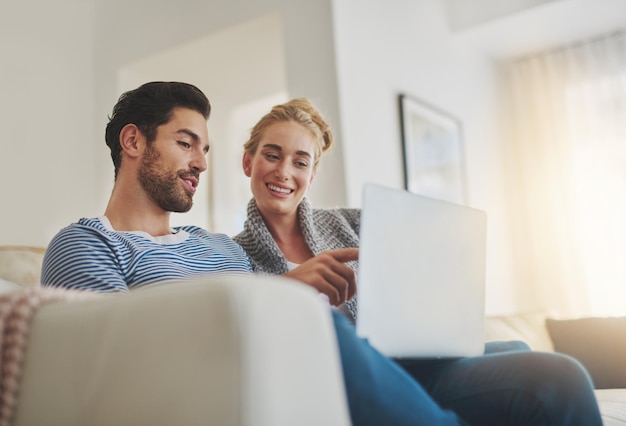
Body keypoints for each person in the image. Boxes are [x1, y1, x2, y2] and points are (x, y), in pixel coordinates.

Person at [41, 82, 602, 426]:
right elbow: (108, 364)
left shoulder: (215, 247)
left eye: (205, 148)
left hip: (339, 361)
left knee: (555, 376)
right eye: (186, 143)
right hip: (278, 374)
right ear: (133, 142)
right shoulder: (88, 242)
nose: (201, 163)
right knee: (316, 324)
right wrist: (289, 292)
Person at [233, 97, 603, 425]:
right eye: (272, 154)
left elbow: (415, 278)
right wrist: (294, 283)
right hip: (344, 383)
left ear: (311, 176)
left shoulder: (354, 222)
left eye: (300, 161)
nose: (284, 171)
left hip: (409, 364)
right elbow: (238, 331)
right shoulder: (228, 254)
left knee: (519, 350)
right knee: (558, 377)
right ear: (249, 162)